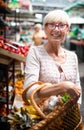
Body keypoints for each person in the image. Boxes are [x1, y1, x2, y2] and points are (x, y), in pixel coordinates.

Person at [23, 10, 82, 106]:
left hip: (69, 118)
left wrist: (77, 107)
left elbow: (77, 86)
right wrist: (62, 87)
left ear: (68, 30)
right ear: (45, 29)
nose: (56, 29)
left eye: (62, 25)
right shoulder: (35, 53)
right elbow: (29, 91)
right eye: (51, 25)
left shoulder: (72, 56)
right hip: (44, 117)